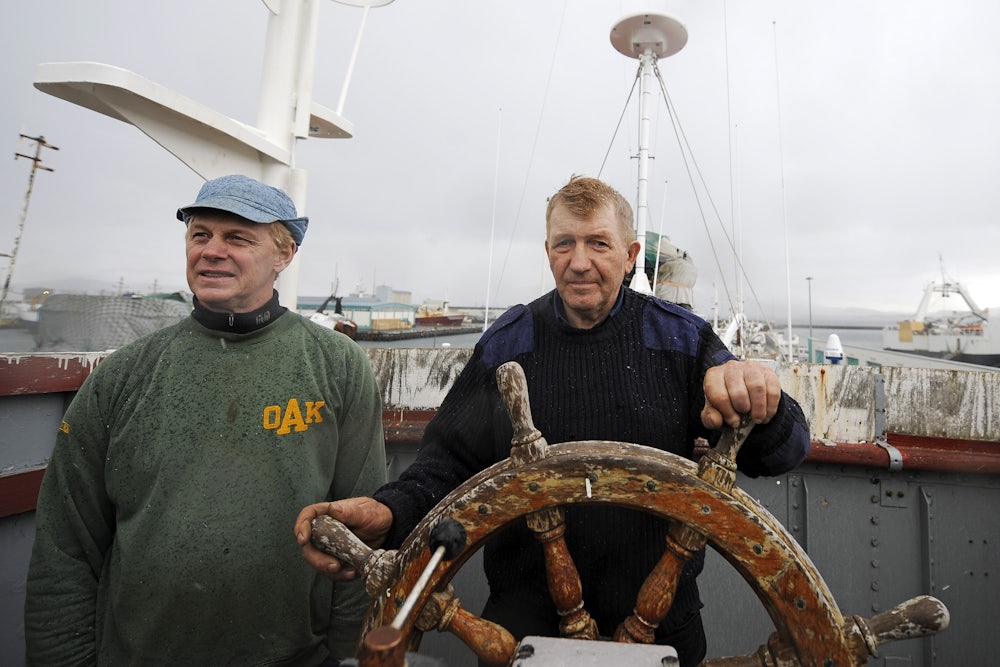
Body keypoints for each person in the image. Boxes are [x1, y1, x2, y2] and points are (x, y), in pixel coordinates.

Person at [294, 175, 810, 667]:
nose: (579, 262)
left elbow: (783, 452)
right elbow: (447, 466)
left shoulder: (681, 342)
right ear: (547, 253)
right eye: (564, 244)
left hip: (662, 627)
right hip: (522, 629)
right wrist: (387, 512)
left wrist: (760, 398)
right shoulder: (508, 343)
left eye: (599, 244)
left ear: (630, 256)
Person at [25, 174, 387, 666]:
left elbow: (361, 539)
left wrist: (355, 658)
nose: (211, 250)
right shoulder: (123, 375)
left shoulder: (337, 366)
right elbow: (65, 546)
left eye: (237, 237)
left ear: (284, 255)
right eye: (200, 235)